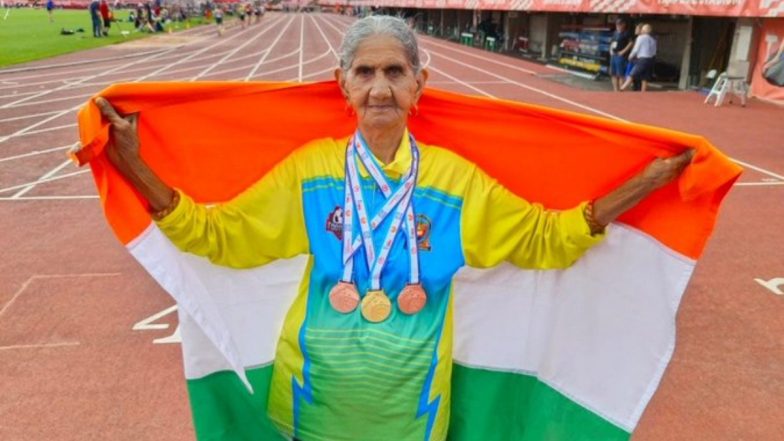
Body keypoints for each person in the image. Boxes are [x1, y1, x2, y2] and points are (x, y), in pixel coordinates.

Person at [94, 16, 692, 441]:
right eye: (365, 72)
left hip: (413, 408)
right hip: (311, 401)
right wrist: (134, 165)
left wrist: (646, 182)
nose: (380, 87)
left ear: (418, 84)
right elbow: (218, 235)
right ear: (343, 83)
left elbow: (547, 239)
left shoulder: (454, 182)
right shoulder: (310, 171)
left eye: (395, 71)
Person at [622, 23, 657, 92]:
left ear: (643, 30)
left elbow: (636, 49)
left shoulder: (640, 38)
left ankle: (622, 88)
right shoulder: (653, 39)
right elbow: (654, 52)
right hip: (650, 59)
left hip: (642, 59)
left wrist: (630, 56)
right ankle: (643, 91)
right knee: (645, 77)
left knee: (632, 74)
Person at [609, 18, 633, 92]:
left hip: (621, 56)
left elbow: (631, 43)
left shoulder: (626, 33)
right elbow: (612, 42)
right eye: (617, 24)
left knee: (620, 74)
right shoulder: (615, 33)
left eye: (619, 24)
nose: (618, 26)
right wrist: (610, 50)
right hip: (614, 54)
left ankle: (621, 90)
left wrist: (623, 51)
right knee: (613, 74)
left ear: (623, 25)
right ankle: (615, 90)